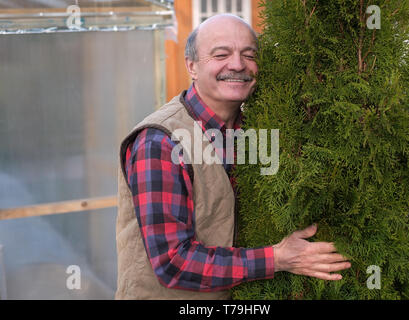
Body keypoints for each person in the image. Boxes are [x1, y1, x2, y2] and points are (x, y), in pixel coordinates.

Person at [115, 13, 351, 300]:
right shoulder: (160, 141)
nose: (238, 65)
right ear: (191, 65)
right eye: (221, 54)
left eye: (249, 55)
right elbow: (173, 263)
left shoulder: (253, 130)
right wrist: (278, 258)